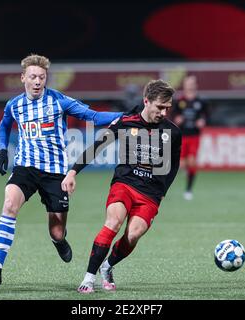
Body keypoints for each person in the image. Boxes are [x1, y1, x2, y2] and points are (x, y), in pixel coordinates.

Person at [0, 54, 122, 287]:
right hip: (25, 167)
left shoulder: (59, 101)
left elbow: (93, 116)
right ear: (23, 77)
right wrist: (3, 150)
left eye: (42, 77)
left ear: (46, 79)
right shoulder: (14, 104)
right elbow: (4, 124)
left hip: (55, 173)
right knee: (9, 204)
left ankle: (60, 241)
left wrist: (127, 116)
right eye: (33, 76)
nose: (37, 81)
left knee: (56, 231)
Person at [61, 79, 182, 293]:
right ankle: (88, 278)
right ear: (147, 101)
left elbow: (173, 166)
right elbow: (98, 146)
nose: (164, 113)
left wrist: (162, 192)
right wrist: (73, 171)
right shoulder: (126, 121)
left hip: (151, 194)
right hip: (124, 183)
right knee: (113, 222)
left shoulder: (173, 132)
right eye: (160, 107)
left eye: (167, 108)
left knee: (133, 234)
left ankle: (107, 267)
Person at [171, 75, 209, 201]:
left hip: (194, 135)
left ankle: (188, 190)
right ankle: (186, 173)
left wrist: (202, 121)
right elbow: (173, 116)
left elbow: (206, 116)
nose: (190, 85)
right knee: (181, 164)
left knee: (192, 161)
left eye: (192, 83)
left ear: (195, 85)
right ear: (185, 85)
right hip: (182, 136)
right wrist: (177, 120)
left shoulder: (201, 101)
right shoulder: (179, 101)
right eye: (188, 83)